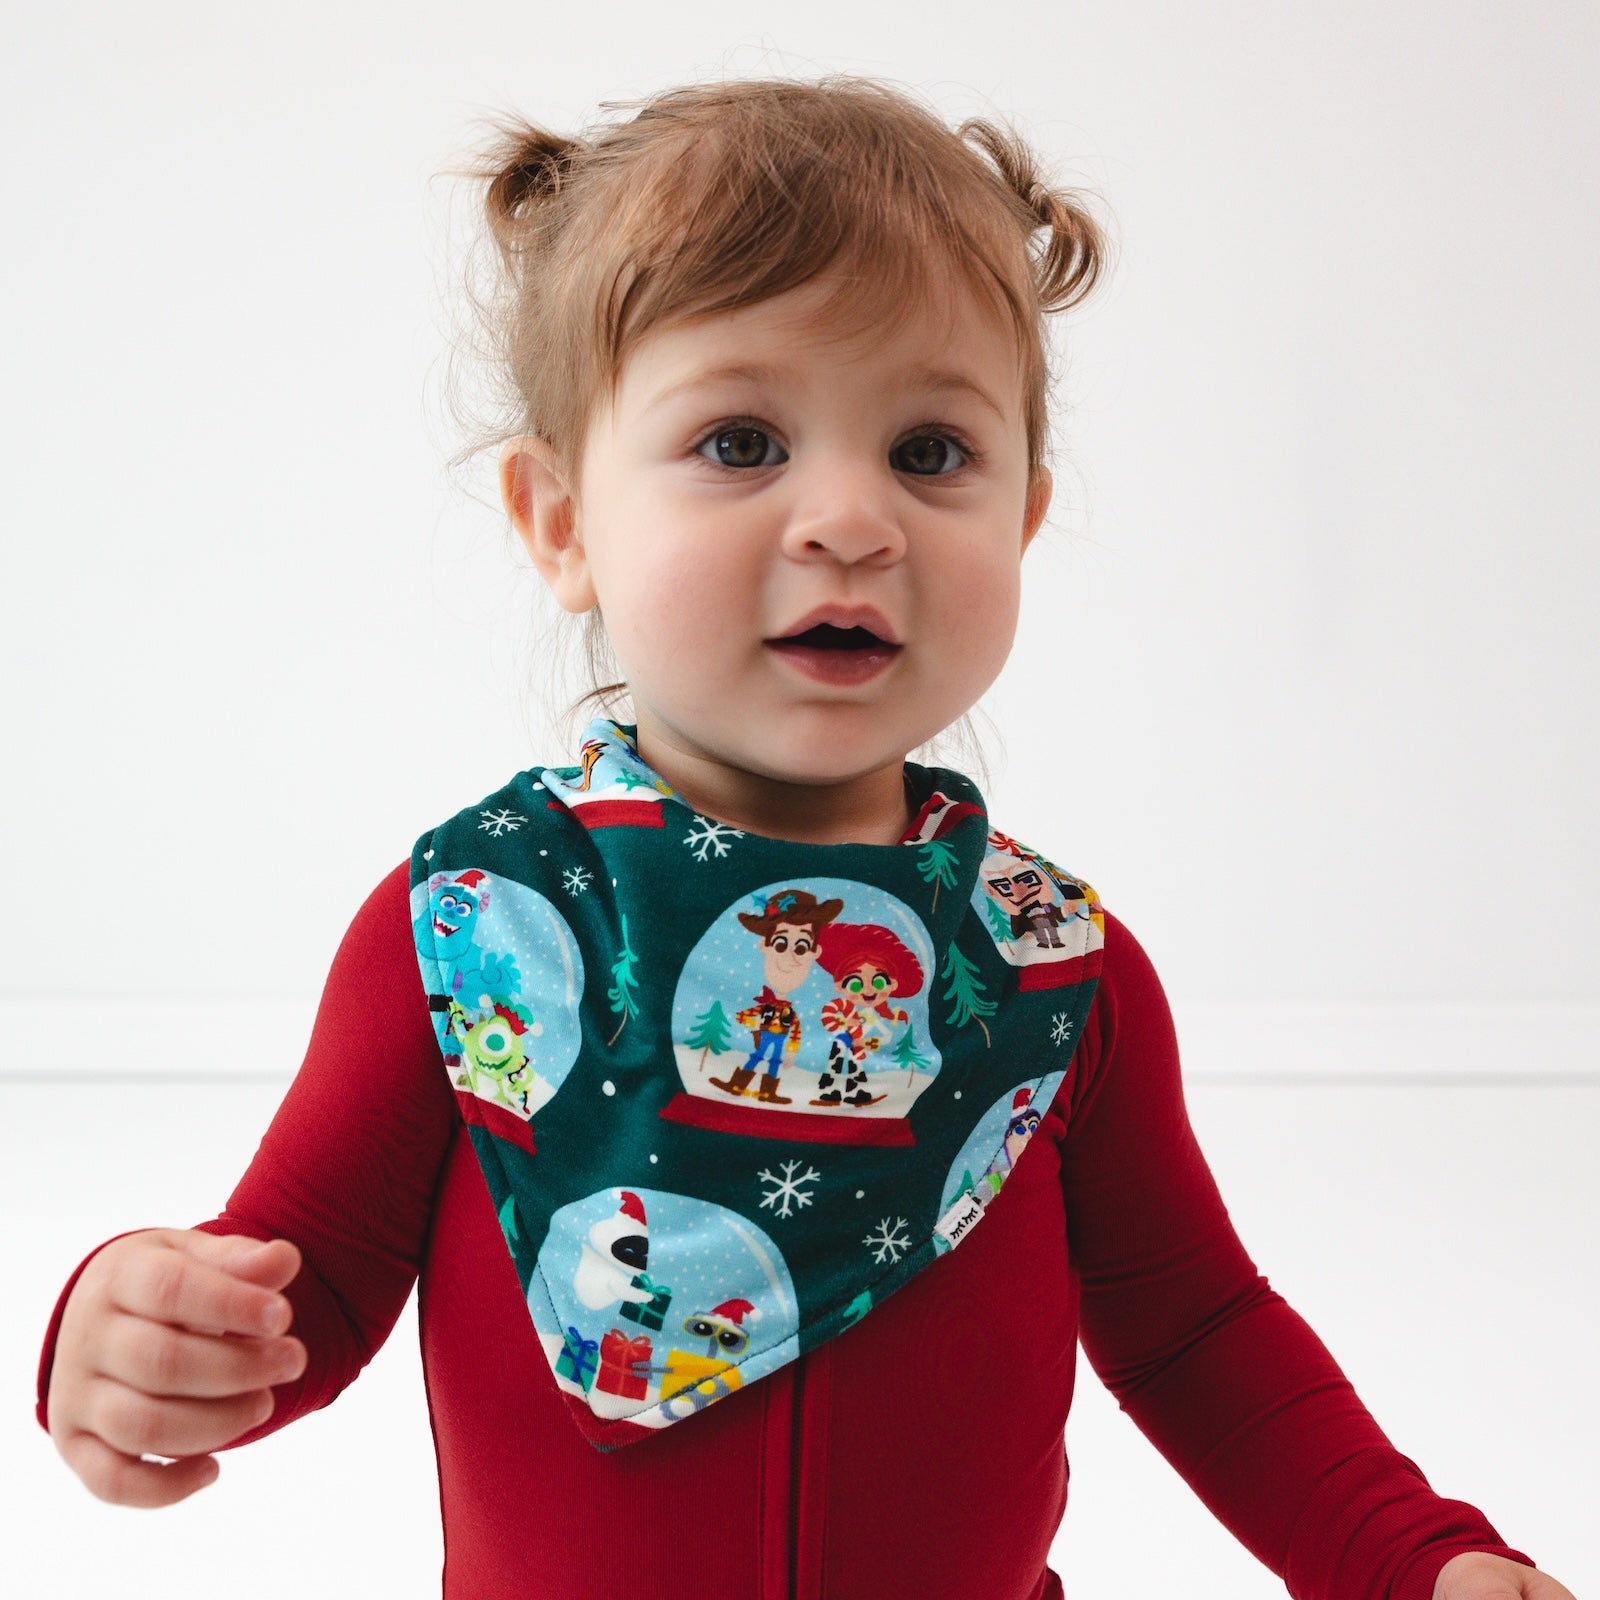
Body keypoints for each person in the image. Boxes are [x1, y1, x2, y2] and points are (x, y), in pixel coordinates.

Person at [34, 74, 1576, 1600]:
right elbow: (303, 1285)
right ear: (561, 522)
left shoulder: (1056, 976)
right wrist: (142, 1332)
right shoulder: (470, 935)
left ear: (1025, 519)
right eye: (740, 443)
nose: (853, 518)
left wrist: (1407, 1555)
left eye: (929, 452)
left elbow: (1195, 1335)